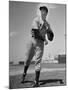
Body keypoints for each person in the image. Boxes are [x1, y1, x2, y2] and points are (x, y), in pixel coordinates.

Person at [21, 6, 54, 87]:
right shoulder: (36, 19)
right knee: (27, 59)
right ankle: (24, 73)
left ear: (46, 13)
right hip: (32, 41)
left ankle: (36, 81)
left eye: (43, 10)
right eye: (41, 10)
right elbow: (36, 33)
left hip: (40, 44)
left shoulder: (47, 24)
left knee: (38, 61)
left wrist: (50, 34)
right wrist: (45, 39)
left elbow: (51, 37)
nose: (42, 12)